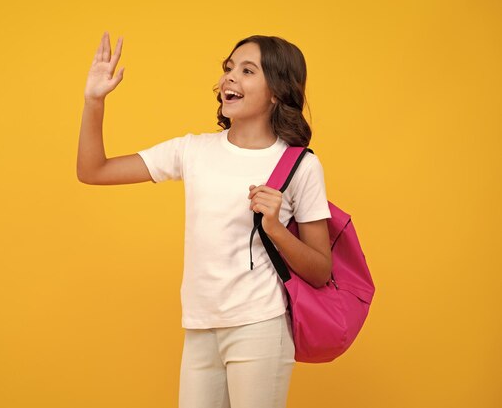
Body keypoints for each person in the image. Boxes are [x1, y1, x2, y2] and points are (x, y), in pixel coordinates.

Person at [77, 31, 333, 408]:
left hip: (259, 324)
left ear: (277, 91)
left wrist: (276, 228)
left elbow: (321, 270)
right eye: (229, 68)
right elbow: (93, 170)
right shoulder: (192, 151)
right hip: (200, 327)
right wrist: (93, 101)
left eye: (248, 71)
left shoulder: (300, 165)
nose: (230, 77)